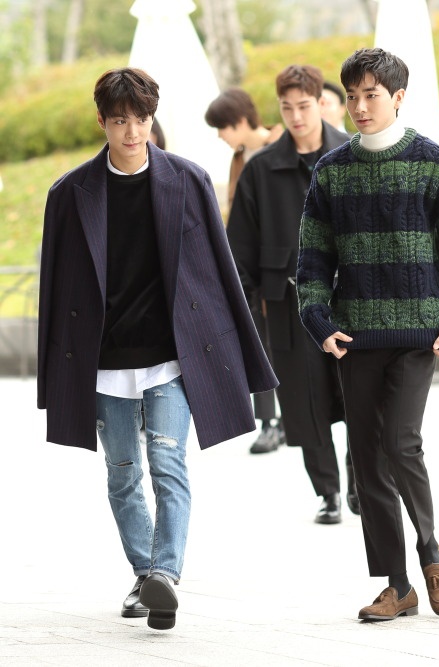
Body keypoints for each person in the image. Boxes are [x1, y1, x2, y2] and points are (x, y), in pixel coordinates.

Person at [37, 67, 278, 631]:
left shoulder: (187, 180)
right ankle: (144, 574)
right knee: (123, 474)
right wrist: (56, 371)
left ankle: (164, 575)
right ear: (101, 121)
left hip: (172, 358)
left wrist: (237, 348)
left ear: (152, 119)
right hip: (105, 363)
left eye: (141, 119)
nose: (132, 132)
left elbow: (218, 269)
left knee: (168, 464)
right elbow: (54, 288)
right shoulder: (70, 194)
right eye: (120, 120)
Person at [297, 47, 439, 620]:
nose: (359, 106)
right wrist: (318, 319)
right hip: (355, 337)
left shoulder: (434, 164)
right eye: (351, 96)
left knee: (401, 443)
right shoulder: (331, 171)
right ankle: (398, 584)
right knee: (366, 458)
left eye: (371, 95)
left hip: (417, 335)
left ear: (398, 97)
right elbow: (312, 258)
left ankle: (430, 550)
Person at [227, 64, 359, 524]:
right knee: (305, 403)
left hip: (352, 304)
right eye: (287, 108)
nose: (296, 116)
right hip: (287, 308)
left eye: (304, 106)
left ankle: (359, 479)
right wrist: (249, 309)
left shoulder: (352, 154)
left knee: (361, 396)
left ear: (320, 102)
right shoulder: (261, 169)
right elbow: (239, 247)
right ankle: (329, 493)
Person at [205, 88, 284, 454]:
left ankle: (288, 419)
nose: (220, 136)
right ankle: (269, 422)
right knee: (257, 343)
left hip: (281, 264)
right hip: (247, 267)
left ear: (238, 121)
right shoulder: (239, 158)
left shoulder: (281, 145)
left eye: (222, 127)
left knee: (283, 344)